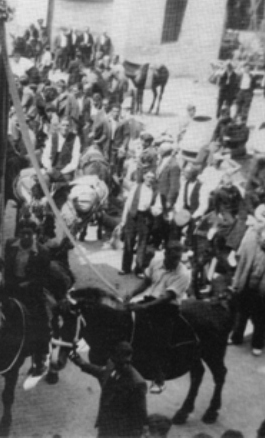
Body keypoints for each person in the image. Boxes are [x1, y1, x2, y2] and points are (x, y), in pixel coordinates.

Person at [126, 241, 191, 392]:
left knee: (159, 340)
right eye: (173, 258)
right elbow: (147, 281)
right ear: (165, 253)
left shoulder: (183, 273)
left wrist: (141, 307)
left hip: (167, 308)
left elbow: (166, 297)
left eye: (178, 258)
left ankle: (159, 378)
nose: (176, 262)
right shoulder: (156, 262)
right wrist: (132, 294)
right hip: (150, 300)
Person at [1, 220, 52, 377]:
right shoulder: (10, 244)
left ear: (35, 234)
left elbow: (44, 277)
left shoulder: (42, 252)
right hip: (10, 287)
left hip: (30, 291)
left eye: (29, 233)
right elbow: (3, 264)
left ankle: (40, 360)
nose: (25, 237)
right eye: (22, 233)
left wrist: (27, 283)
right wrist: (2, 268)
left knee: (40, 322)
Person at [69, 342, 149, 438]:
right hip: (106, 424)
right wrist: (79, 361)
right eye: (117, 362)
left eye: (125, 362)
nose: (122, 365)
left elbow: (140, 414)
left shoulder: (137, 383)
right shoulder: (114, 366)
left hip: (121, 431)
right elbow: (99, 371)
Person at [229, 227, 265, 356]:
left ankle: (257, 344)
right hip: (247, 285)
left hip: (263, 289)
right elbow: (241, 266)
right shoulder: (249, 247)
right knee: (241, 314)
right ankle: (236, 338)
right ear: (258, 239)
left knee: (260, 318)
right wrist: (236, 283)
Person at [120, 169, 156, 276]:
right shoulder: (136, 187)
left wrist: (151, 208)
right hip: (132, 216)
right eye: (148, 177)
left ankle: (139, 269)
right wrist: (123, 220)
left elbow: (157, 209)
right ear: (144, 177)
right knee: (128, 242)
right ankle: (125, 268)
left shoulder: (154, 191)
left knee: (142, 244)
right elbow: (128, 203)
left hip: (145, 218)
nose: (150, 179)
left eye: (152, 178)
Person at [41, 117, 81, 183]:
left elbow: (74, 162)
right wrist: (49, 167)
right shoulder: (53, 137)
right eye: (63, 125)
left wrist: (61, 173)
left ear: (70, 127)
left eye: (67, 125)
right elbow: (45, 155)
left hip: (65, 172)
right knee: (43, 181)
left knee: (62, 187)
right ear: (59, 125)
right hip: (52, 169)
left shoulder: (75, 138)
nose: (65, 128)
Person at [89, 94, 112, 159]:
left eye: (106, 104)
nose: (105, 106)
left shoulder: (112, 113)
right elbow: (95, 125)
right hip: (102, 138)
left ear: (109, 105)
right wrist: (93, 132)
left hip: (111, 140)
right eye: (104, 105)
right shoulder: (99, 113)